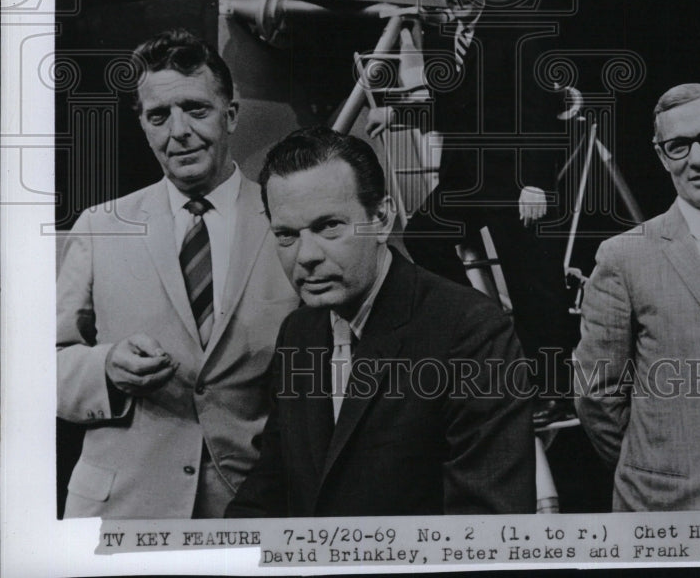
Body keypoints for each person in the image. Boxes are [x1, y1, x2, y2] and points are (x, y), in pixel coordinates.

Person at [226, 126, 536, 517]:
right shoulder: (298, 333)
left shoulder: (471, 332)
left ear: (382, 218)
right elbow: (273, 483)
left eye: (329, 226)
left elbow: (485, 523)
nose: (306, 256)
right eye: (286, 235)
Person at [56, 29, 298, 518]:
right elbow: (41, 370)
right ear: (144, 126)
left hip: (249, 507)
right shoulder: (100, 227)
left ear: (231, 115)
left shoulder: (286, 222)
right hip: (122, 510)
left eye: (196, 109)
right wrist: (106, 367)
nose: (179, 130)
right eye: (159, 116)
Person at [366, 0, 575, 390]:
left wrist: (535, 183)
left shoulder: (517, 34)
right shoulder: (452, 38)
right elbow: (454, 108)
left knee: (531, 283)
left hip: (514, 181)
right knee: (424, 235)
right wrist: (396, 112)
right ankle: (478, 322)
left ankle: (552, 388)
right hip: (468, 180)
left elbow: (538, 112)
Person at [574, 83, 700, 511]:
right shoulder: (623, 257)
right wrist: (657, 465)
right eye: (679, 146)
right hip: (674, 508)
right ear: (662, 156)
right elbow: (597, 394)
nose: (699, 159)